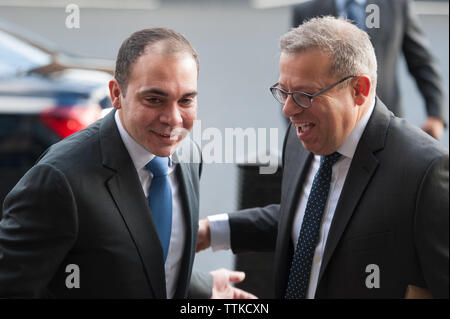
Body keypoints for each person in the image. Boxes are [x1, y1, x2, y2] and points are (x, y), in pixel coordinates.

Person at [198, 17, 449, 298]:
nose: (288, 110)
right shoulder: (301, 136)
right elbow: (309, 217)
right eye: (284, 92)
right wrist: (211, 231)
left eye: (305, 95)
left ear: (359, 90)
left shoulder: (424, 171)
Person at [0, 28, 255, 299]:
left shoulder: (188, 156)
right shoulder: (60, 180)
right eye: (155, 100)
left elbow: (142, 262)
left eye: (186, 100)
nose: (174, 119)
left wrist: (202, 289)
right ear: (116, 94)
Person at [291, 0, 446, 139]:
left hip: (386, 126)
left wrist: (436, 115)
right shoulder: (306, 11)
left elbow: (422, 63)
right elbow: (293, 75)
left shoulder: (397, 5)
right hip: (327, 128)